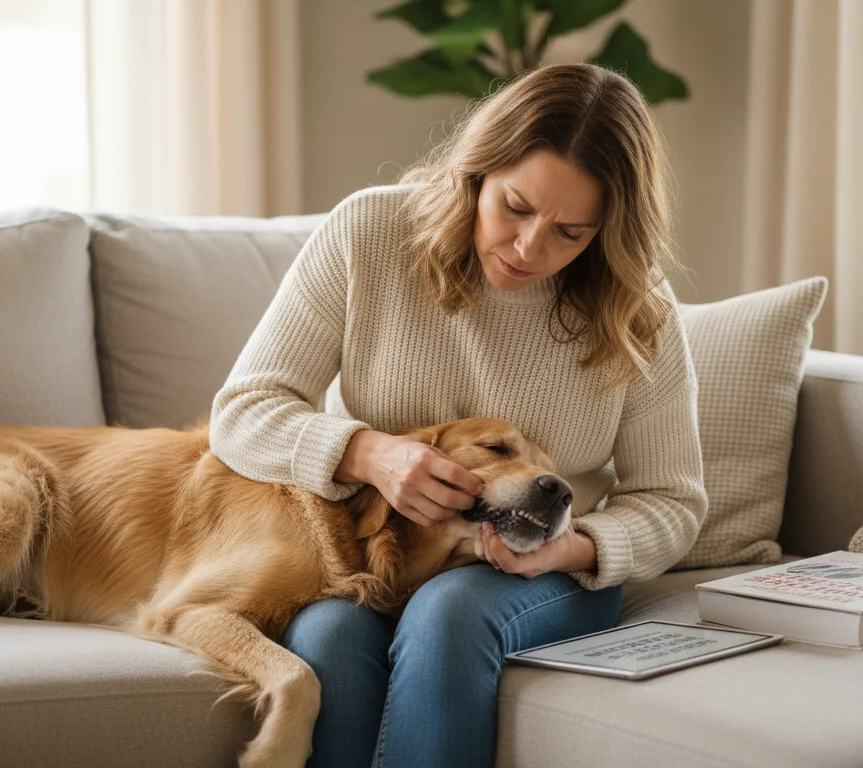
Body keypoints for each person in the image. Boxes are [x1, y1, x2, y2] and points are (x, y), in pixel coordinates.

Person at [209, 62, 708, 768]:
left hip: (544, 575)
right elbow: (242, 411)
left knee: (449, 614)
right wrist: (367, 454)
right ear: (476, 171)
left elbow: (674, 501)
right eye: (515, 207)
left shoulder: (637, 306)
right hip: (374, 552)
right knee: (327, 636)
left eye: (571, 232)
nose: (530, 248)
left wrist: (575, 548)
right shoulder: (370, 233)